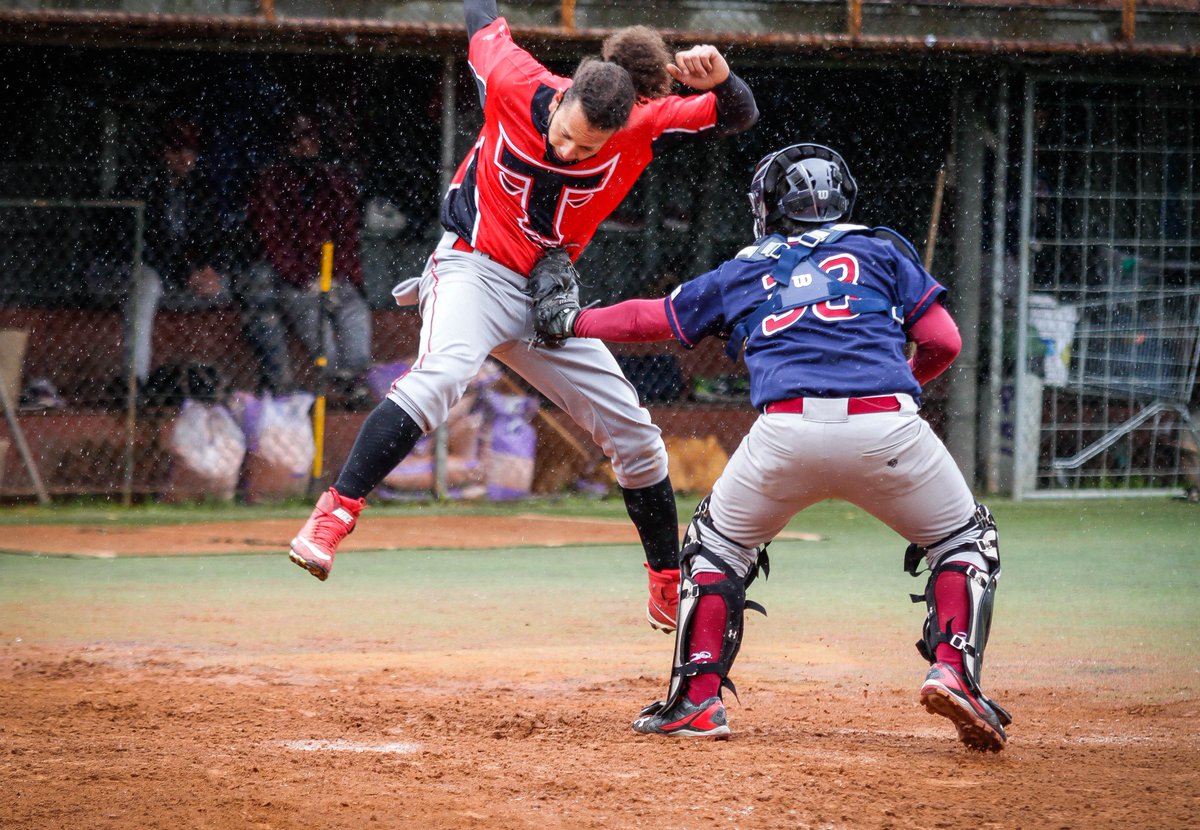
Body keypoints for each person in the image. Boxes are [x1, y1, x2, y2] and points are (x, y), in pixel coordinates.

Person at [286, 0, 759, 634]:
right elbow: (481, 18)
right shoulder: (514, 81)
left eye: (587, 146)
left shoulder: (642, 124)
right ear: (562, 98)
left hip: (545, 299)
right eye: (566, 132)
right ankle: (332, 516)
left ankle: (664, 582)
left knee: (636, 436)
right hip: (473, 269)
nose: (568, 149)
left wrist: (722, 79)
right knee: (441, 379)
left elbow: (739, 114)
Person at [534, 143, 1013, 750]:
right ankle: (954, 670)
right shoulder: (880, 249)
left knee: (716, 550)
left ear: (768, 208)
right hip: (888, 426)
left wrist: (571, 321)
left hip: (783, 433)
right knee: (965, 541)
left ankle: (696, 701)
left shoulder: (746, 268)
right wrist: (894, 388)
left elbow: (651, 319)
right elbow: (944, 341)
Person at [245, 112, 372, 398]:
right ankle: (336, 380)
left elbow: (349, 237)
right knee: (316, 325)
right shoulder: (271, 184)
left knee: (354, 312)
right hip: (296, 282)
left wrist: (339, 276)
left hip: (334, 277)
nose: (304, 149)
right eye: (296, 142)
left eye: (310, 141)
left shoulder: (334, 184)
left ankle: (356, 379)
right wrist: (304, 278)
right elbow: (271, 240)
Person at [115, 117, 231, 397]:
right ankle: (134, 382)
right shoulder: (141, 183)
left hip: (185, 272)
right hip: (131, 268)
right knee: (146, 285)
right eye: (175, 150)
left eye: (190, 151)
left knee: (236, 287)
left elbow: (218, 236)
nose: (183, 158)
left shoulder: (201, 188)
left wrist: (211, 270)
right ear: (162, 151)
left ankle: (206, 382)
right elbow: (145, 242)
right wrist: (185, 273)